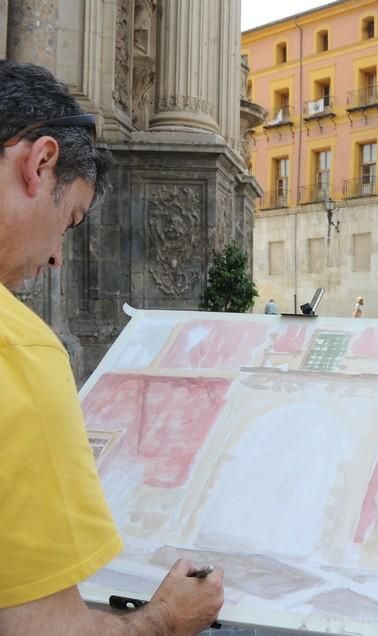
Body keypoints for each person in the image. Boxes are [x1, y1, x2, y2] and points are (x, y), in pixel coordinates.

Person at [0, 61, 223, 635]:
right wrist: (167, 618)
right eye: (69, 219)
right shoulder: (18, 351)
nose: (55, 256)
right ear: (40, 162)